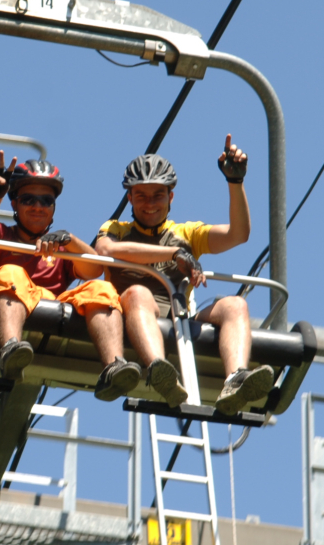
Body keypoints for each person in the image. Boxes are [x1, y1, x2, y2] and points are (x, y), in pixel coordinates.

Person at [91, 136, 275, 415]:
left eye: (158, 195)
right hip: (134, 310)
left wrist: (235, 183)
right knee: (139, 293)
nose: (149, 203)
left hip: (180, 317)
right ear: (129, 197)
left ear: (170, 196)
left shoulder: (185, 234)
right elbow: (105, 249)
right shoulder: (116, 228)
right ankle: (159, 370)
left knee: (236, 304)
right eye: (140, 195)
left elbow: (238, 235)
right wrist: (172, 255)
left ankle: (235, 379)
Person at [0, 153, 143, 400]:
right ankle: (10, 349)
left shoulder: (60, 249)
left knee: (101, 289)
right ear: (14, 204)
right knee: (12, 272)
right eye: (28, 199)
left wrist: (69, 240)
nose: (38, 207)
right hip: (5, 299)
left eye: (46, 201)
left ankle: (114, 367)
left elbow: (94, 269)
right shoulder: (0, 235)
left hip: (49, 301)